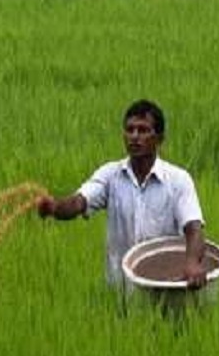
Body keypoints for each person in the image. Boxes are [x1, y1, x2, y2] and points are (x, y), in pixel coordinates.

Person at [36, 100, 208, 290]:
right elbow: (79, 202)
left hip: (166, 288)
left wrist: (193, 263)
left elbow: (193, 228)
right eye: (130, 130)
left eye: (143, 130)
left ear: (159, 139)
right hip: (119, 291)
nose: (134, 137)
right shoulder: (110, 176)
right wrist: (55, 208)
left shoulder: (178, 180)